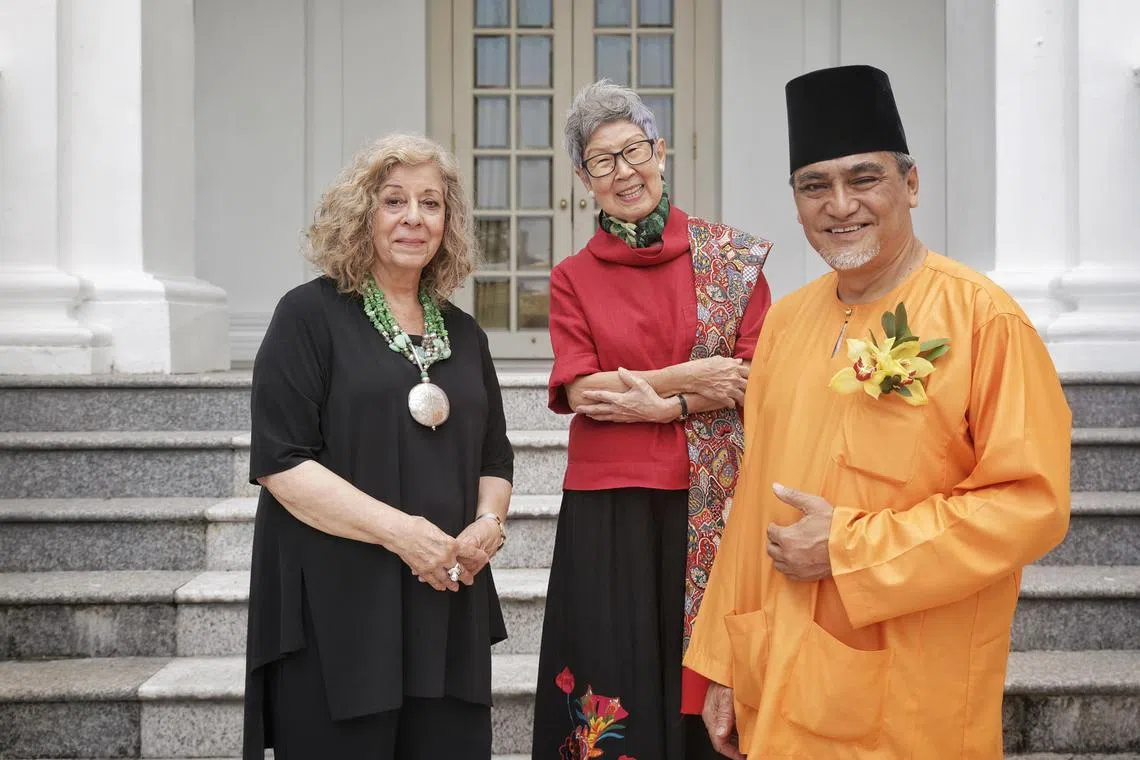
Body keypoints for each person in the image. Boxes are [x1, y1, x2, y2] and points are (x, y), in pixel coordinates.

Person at [684, 65, 1072, 759]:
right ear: (797, 202)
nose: (839, 206)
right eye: (815, 186)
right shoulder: (788, 322)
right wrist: (720, 663)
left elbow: (1030, 503)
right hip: (782, 674)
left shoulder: (982, 319)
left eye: (863, 179)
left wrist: (848, 548)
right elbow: (752, 504)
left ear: (911, 184)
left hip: (912, 691)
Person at [242, 133, 514, 760]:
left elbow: (494, 460)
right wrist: (404, 535)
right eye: (394, 201)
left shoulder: (466, 334)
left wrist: (486, 526)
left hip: (445, 598)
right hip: (339, 610)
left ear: (449, 222)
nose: (414, 218)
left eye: (431, 203)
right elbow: (282, 462)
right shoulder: (307, 317)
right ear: (362, 213)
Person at [530, 79, 773, 760]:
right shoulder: (573, 277)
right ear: (584, 179)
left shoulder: (730, 261)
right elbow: (582, 391)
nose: (623, 172)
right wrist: (694, 379)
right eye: (601, 162)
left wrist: (664, 405)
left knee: (706, 676)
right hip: (609, 504)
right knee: (613, 677)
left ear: (660, 151)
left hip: (714, 501)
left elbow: (758, 376)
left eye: (633, 150)